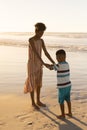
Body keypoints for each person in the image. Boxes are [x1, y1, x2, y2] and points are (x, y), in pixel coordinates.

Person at [24, 22, 55, 110]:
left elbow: (45, 52)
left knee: (38, 83)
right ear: (36, 31)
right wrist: (44, 63)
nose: (41, 35)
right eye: (40, 32)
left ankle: (38, 100)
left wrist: (53, 62)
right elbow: (36, 53)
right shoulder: (31, 40)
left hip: (39, 64)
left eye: (43, 33)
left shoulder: (41, 41)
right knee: (32, 82)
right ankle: (33, 102)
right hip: (32, 64)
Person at [48, 49, 72, 118]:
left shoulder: (59, 65)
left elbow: (51, 68)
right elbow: (54, 66)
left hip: (62, 87)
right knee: (68, 99)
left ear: (65, 56)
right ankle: (70, 112)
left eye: (60, 57)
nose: (59, 59)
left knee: (61, 101)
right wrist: (52, 65)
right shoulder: (67, 64)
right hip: (68, 85)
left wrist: (44, 64)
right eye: (57, 58)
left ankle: (63, 114)